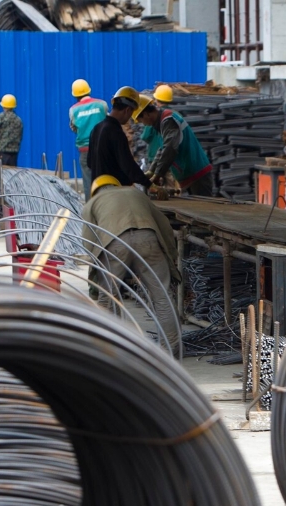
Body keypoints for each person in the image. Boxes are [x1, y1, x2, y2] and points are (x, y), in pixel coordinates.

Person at [82, 174, 181, 353]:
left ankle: (110, 350)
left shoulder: (92, 203)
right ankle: (170, 348)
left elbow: (89, 243)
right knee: (162, 295)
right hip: (148, 239)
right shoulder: (136, 193)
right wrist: (171, 255)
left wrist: (96, 277)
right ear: (117, 185)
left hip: (114, 242)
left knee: (108, 298)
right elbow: (164, 224)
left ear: (94, 191)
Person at [145, 85, 215, 197]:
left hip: (196, 172)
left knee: (202, 205)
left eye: (141, 119)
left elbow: (169, 149)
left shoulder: (169, 120)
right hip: (189, 173)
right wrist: (152, 170)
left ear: (147, 114)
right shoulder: (162, 122)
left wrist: (157, 174)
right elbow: (162, 149)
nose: (143, 123)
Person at [87, 86, 151, 190]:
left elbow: (90, 163)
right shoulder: (116, 132)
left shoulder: (96, 128)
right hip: (114, 191)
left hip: (97, 189)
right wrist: (149, 184)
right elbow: (127, 165)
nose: (130, 118)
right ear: (127, 110)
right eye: (131, 113)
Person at [69, 78, 108, 198]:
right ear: (89, 91)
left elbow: (74, 128)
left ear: (75, 95)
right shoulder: (102, 104)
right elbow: (108, 122)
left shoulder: (73, 110)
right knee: (106, 179)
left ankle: (91, 206)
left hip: (85, 150)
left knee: (88, 183)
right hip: (103, 148)